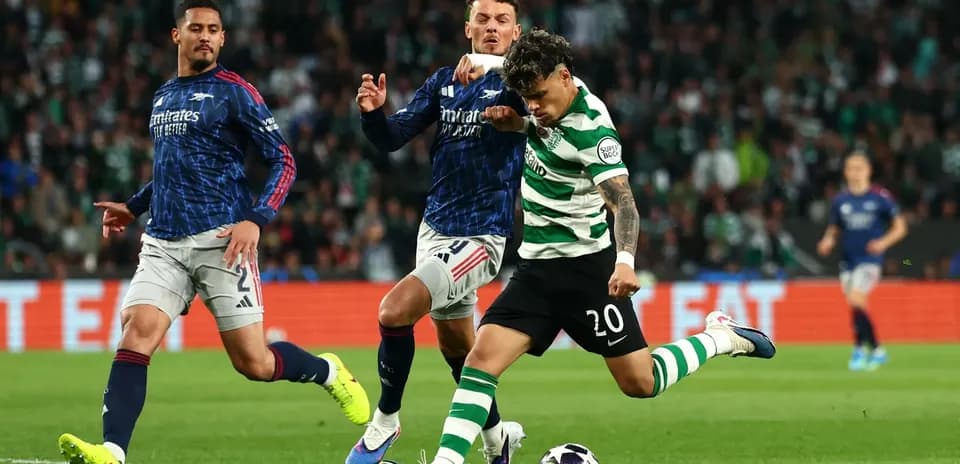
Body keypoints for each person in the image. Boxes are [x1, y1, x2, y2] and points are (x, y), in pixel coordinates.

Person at [425, 29, 777, 464]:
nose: (532, 105)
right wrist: (503, 94)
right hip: (535, 270)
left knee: (640, 383)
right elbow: (531, 81)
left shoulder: (591, 130)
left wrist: (625, 262)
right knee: (480, 364)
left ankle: (720, 336)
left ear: (565, 78)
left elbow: (624, 202)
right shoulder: (549, 95)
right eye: (526, 96)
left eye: (536, 96)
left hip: (588, 271)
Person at [57, 2, 369, 463]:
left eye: (213, 30)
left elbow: (285, 160)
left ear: (223, 39)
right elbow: (172, 169)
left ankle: (328, 371)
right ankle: (112, 452)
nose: (205, 35)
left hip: (224, 241)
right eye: (195, 28)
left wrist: (256, 218)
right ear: (175, 36)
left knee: (254, 363)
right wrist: (134, 206)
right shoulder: (163, 96)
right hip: (163, 242)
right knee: (136, 332)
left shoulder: (235, 92)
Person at [348, 1, 529, 462]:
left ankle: (386, 421)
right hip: (434, 231)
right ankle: (496, 439)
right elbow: (391, 138)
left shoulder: (523, 82)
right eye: (483, 19)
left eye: (501, 21)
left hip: (480, 238)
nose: (491, 28)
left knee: (393, 312)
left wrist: (505, 97)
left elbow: (545, 120)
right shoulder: (444, 81)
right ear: (467, 26)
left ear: (516, 31)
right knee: (459, 352)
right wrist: (373, 114)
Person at [817, 151, 907, 371]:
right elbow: (834, 228)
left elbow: (900, 227)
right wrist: (827, 240)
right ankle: (867, 350)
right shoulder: (840, 201)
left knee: (857, 299)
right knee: (856, 306)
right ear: (845, 172)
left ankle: (871, 349)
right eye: (850, 168)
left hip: (870, 260)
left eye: (859, 168)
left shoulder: (880, 198)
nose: (854, 173)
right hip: (848, 261)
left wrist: (882, 243)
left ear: (868, 171)